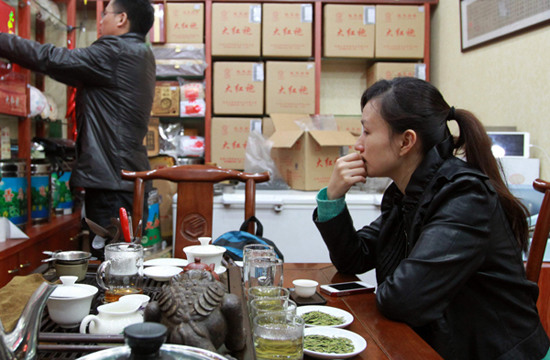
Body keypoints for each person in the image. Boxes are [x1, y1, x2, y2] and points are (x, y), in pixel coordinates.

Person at [313, 77, 550, 360]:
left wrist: (385, 286)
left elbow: (403, 300)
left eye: (366, 132)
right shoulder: (406, 193)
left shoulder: (464, 195)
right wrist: (333, 197)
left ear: (406, 141)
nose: (358, 145)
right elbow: (355, 258)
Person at [0, 0, 155, 258]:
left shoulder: (115, 51)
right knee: (124, 262)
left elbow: (51, 58)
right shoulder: (140, 53)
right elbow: (64, 67)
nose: (102, 20)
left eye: (105, 14)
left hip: (111, 183)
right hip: (123, 178)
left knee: (113, 266)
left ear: (121, 19)